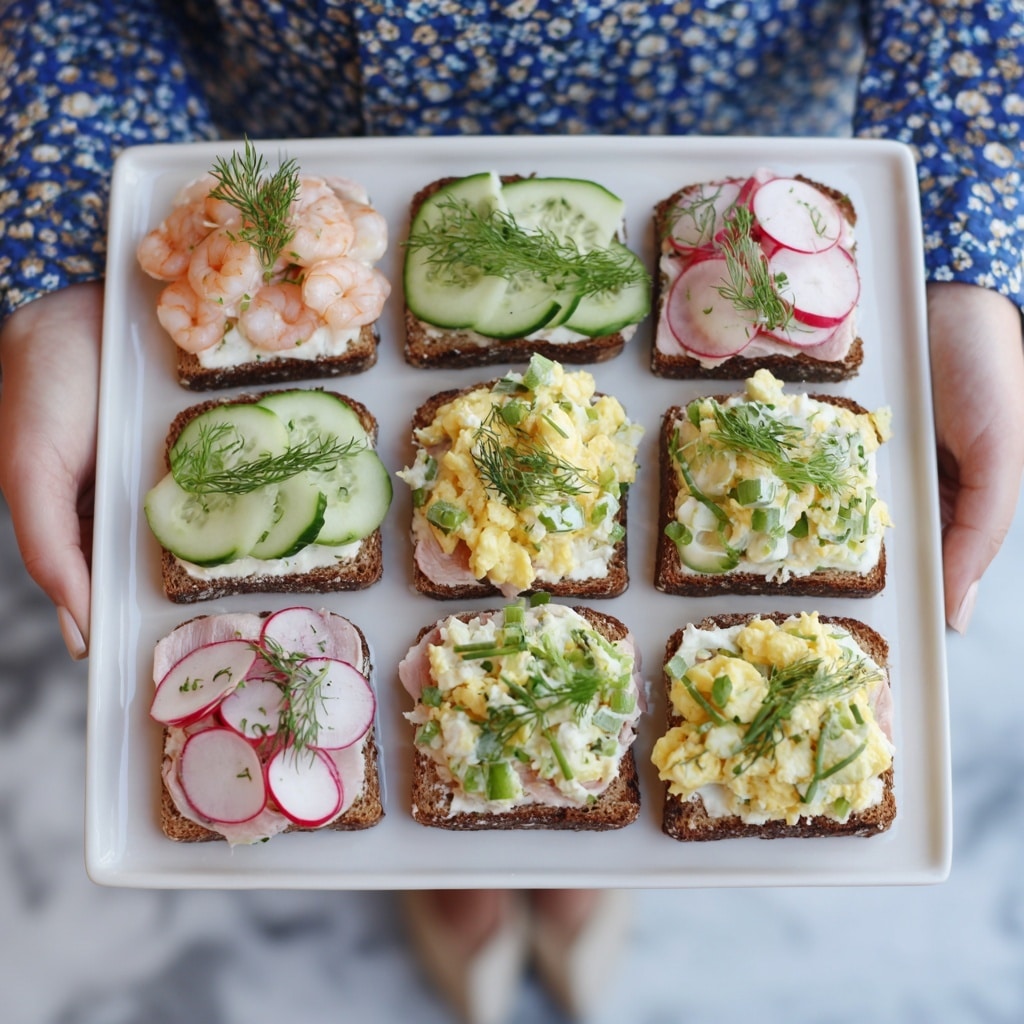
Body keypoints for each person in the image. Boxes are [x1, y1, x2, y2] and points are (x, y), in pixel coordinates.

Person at [1, 3, 1021, 1023]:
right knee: (488, 738)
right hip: (293, 100)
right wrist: (60, 251)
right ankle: (481, 855)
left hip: (726, 94)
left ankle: (570, 828)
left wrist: (962, 254)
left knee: (598, 757)